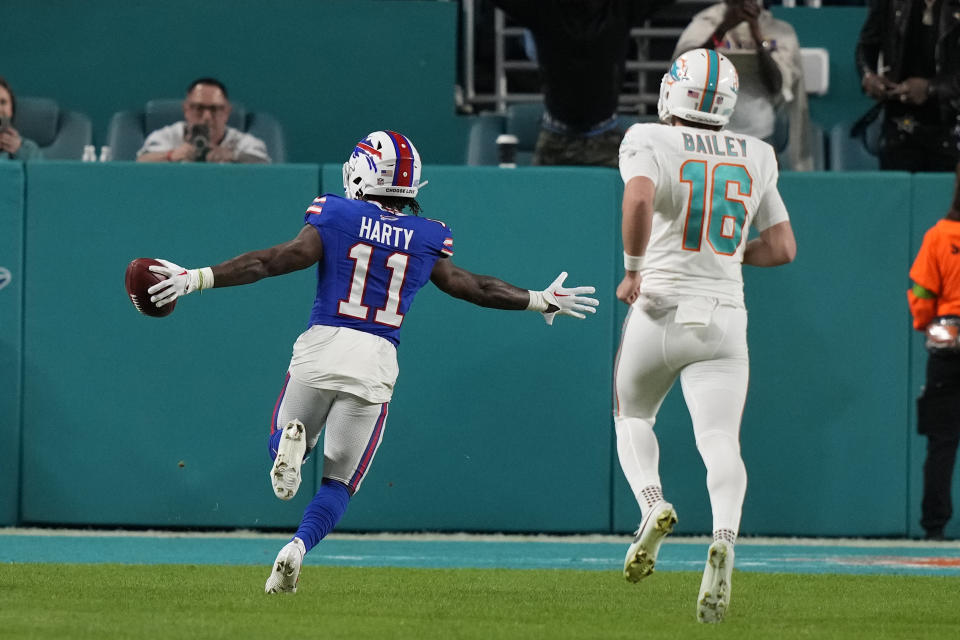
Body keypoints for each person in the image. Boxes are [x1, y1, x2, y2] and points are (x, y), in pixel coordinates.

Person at [142, 129, 599, 593]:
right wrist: (540, 300)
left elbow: (274, 261)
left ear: (360, 171)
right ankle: (297, 548)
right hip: (375, 359)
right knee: (340, 482)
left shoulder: (336, 213)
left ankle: (290, 443)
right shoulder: (427, 236)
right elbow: (474, 287)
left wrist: (197, 277)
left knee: (281, 439)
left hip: (322, 343)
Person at [614, 49, 796, 622]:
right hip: (724, 316)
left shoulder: (649, 137)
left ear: (674, 91)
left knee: (633, 415)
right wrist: (723, 253)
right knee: (719, 440)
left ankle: (652, 505)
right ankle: (725, 537)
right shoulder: (759, 153)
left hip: (660, 306)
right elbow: (784, 248)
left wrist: (633, 268)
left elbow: (640, 197)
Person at [491, 0, 672, 168]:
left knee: (624, 199)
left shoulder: (620, 8)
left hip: (604, 141)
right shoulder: (544, 9)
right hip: (556, 141)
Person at [673, 0, 814, 171]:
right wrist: (722, 29)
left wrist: (756, 34)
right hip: (707, 137)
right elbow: (687, 71)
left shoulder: (779, 31)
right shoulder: (704, 23)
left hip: (760, 136)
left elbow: (776, 84)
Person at [907, 162, 960, 540]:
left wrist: (931, 324)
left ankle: (935, 527)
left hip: (948, 340)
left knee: (942, 441)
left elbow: (922, 295)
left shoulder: (939, 236)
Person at [855, 0, 960, 171]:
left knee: (946, 195)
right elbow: (866, 47)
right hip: (899, 125)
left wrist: (930, 88)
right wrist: (869, 77)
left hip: (951, 126)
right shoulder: (890, 3)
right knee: (897, 193)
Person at [137, 77, 270, 164]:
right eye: (198, 108)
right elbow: (141, 162)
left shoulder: (243, 142)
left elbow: (267, 166)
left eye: (214, 109)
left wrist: (233, 156)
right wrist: (172, 155)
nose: (207, 117)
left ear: (226, 112)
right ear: (186, 110)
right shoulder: (167, 136)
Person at [0, 77, 42, 161]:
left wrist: (19, 151)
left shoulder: (29, 149)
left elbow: (41, 173)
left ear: (11, 110)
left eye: (3, 102)